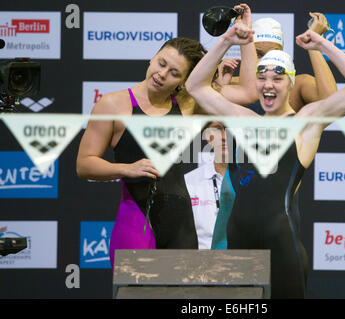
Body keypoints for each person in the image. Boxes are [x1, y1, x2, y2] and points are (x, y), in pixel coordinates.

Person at [185, 19, 345, 298]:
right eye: (261, 77)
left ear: (291, 81)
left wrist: (320, 44)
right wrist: (226, 40)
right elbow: (195, 86)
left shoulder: (305, 124)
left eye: (277, 77)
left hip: (282, 246)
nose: (268, 85)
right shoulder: (242, 119)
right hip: (238, 243)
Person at [76, 4, 257, 268]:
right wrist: (126, 169)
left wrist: (244, 37)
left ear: (183, 82)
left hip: (182, 226)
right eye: (161, 63)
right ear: (153, 57)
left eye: (174, 73)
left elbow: (249, 93)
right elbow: (84, 164)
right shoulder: (113, 105)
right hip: (136, 222)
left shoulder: (187, 105)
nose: (161, 74)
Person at [215, 13, 337, 113]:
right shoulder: (231, 84)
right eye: (259, 54)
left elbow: (333, 104)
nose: (267, 61)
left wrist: (313, 45)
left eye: (273, 53)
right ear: (247, 53)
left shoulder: (296, 86)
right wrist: (220, 84)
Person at [184, 121, 235, 250]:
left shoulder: (250, 182)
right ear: (207, 136)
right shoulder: (189, 182)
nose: (224, 136)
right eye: (217, 129)